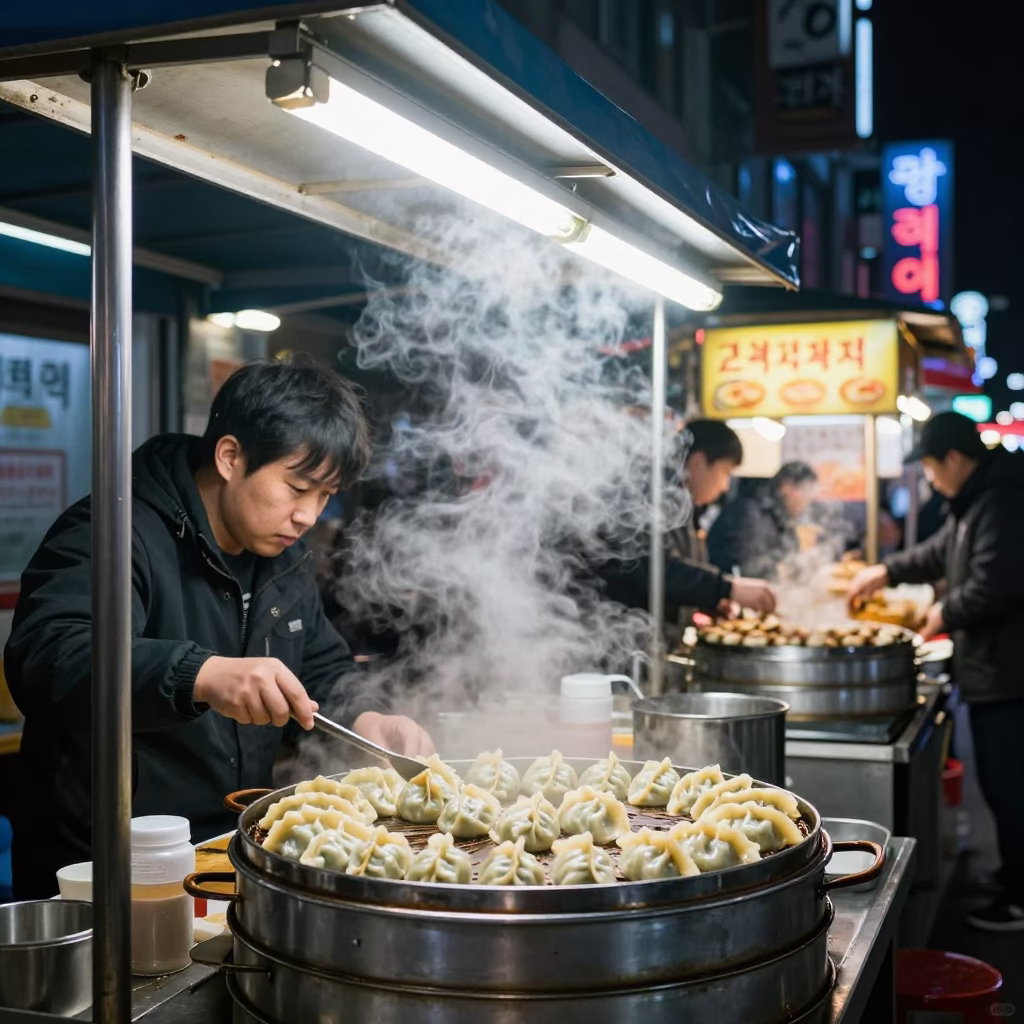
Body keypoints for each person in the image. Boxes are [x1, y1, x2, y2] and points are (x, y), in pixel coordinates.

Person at [4, 357, 434, 900]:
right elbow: (49, 656)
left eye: (326, 496)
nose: (310, 515)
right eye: (298, 488)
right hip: (105, 867)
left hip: (222, 852)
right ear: (231, 457)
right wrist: (200, 674)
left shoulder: (284, 559)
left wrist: (365, 716)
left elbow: (320, 668)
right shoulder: (115, 531)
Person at [848, 411, 1024, 931]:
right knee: (1000, 783)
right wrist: (886, 571)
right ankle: (1014, 876)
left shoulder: (1004, 499)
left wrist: (943, 614)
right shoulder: (976, 500)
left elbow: (998, 582)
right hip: (993, 670)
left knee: (1011, 785)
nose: (927, 477)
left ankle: (1019, 898)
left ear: (954, 458)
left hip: (1010, 674)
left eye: (928, 465)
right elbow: (939, 553)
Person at [597, 419, 776, 626]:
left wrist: (709, 601)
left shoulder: (681, 505)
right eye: (725, 472)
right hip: (621, 638)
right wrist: (727, 588)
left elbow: (676, 577)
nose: (726, 486)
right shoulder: (648, 497)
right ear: (698, 463)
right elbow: (657, 569)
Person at [707, 461, 819, 580]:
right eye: (806, 491)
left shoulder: (778, 514)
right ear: (786, 486)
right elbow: (749, 568)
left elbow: (789, 551)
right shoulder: (750, 513)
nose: (808, 501)